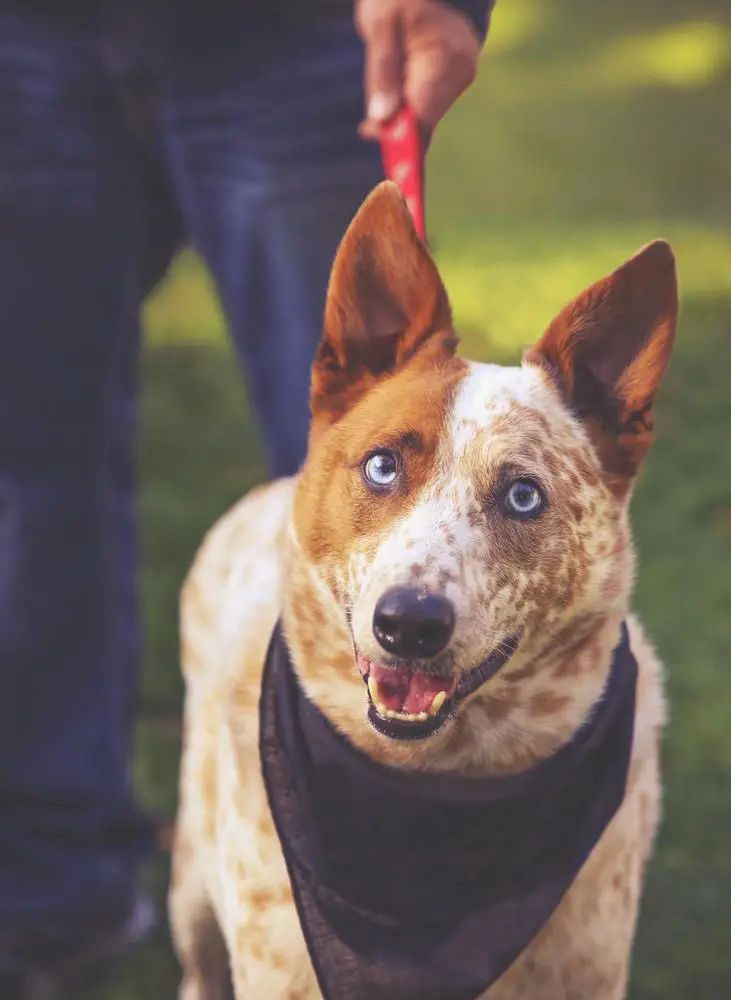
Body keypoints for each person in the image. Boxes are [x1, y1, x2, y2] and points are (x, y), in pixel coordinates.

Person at [0, 0, 493, 995]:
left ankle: (399, 916)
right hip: (25, 41)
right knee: (25, 463)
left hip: (301, 38)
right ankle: (56, 897)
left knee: (383, 479)